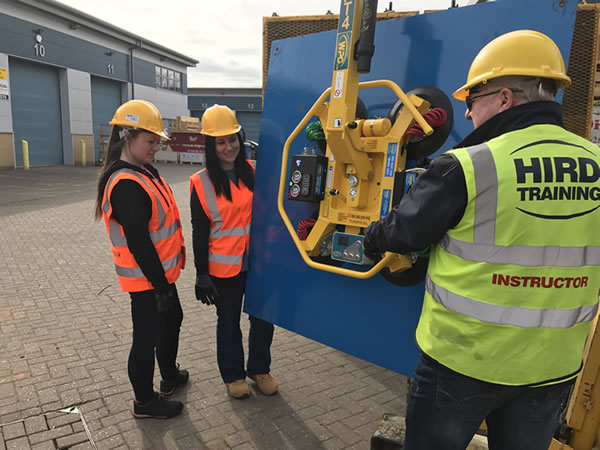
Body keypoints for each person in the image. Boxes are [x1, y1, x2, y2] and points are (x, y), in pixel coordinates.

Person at [364, 30, 600, 449]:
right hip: (552, 369)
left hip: (463, 364)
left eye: (472, 102)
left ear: (505, 99)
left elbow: (401, 233)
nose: (468, 116)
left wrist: (371, 236)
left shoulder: (470, 166)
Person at [95, 100, 188, 419]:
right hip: (146, 279)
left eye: (157, 142)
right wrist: (160, 286)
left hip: (160, 274)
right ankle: (145, 402)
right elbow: (138, 242)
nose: (155, 148)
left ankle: (170, 376)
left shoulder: (142, 171)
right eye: (150, 141)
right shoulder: (125, 184)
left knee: (172, 320)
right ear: (126, 135)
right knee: (145, 339)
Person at [190, 104, 277, 399]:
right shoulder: (200, 183)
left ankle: (259, 368)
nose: (229, 147)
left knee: (264, 317)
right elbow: (199, 231)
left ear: (240, 138)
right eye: (221, 141)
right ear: (210, 145)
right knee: (228, 322)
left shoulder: (254, 172)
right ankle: (233, 375)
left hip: (259, 263)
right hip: (223, 268)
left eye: (233, 139)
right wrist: (201, 274)